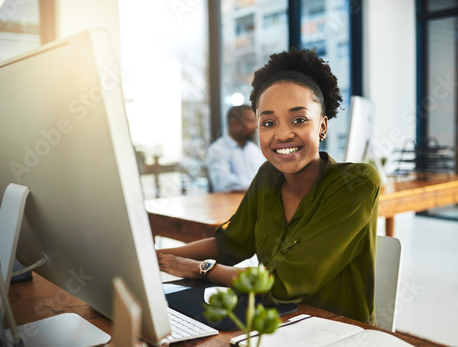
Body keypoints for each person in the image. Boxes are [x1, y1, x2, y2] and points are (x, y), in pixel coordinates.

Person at [157, 48, 381, 325]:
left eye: (299, 119)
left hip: (335, 333)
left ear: (322, 127)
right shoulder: (268, 175)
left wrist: (204, 269)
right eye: (268, 122)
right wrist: (154, 258)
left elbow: (283, 283)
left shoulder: (356, 183)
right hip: (273, 325)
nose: (283, 134)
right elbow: (230, 244)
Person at [206, 105, 266, 192]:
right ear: (235, 124)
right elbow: (222, 183)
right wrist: (257, 187)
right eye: (251, 121)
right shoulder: (218, 149)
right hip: (231, 204)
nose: (255, 126)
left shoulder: (254, 149)